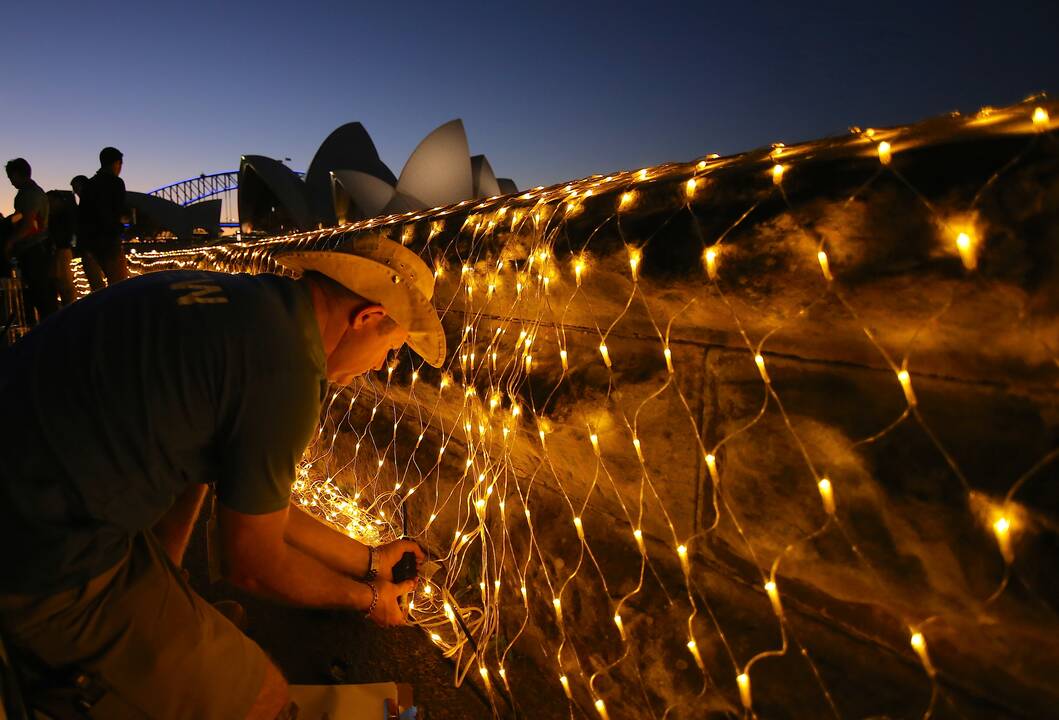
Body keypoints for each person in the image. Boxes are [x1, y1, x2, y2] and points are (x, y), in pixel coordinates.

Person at [0, 236, 447, 719]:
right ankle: (70, 681)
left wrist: (371, 560)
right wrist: (370, 598)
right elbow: (252, 561)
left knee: (199, 499)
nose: (380, 366)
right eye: (391, 347)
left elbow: (252, 500)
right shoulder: (284, 371)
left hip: (37, 484)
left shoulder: (249, 306)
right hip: (42, 559)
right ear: (367, 318)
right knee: (263, 696)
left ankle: (162, 614)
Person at [3, 158, 58, 321]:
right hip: (38, 248)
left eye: (11, 177)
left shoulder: (29, 194)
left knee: (41, 296)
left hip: (35, 250)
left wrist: (10, 242)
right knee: (43, 295)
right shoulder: (32, 192)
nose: (11, 182)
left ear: (17, 174)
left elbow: (28, 224)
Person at [82, 146, 129, 286]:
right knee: (119, 284)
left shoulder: (89, 184)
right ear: (116, 163)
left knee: (98, 288)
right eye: (120, 164)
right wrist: (121, 227)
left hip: (91, 243)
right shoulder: (116, 182)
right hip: (109, 240)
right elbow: (118, 210)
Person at [70, 174, 106, 291]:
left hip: (90, 249)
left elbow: (84, 227)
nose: (76, 192)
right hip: (94, 247)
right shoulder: (92, 201)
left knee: (96, 284)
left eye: (76, 188)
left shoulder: (86, 203)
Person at [46, 190, 78, 305]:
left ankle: (70, 306)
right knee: (61, 280)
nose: (50, 204)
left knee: (64, 281)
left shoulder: (62, 216)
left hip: (63, 249)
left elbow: (64, 234)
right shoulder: (60, 215)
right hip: (60, 250)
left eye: (51, 201)